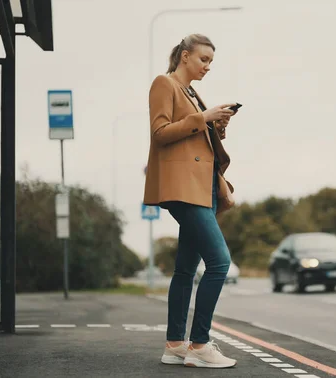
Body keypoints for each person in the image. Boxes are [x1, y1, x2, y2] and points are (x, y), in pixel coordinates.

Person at [143, 33, 239, 368]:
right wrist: (203, 118)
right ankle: (199, 346)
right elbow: (160, 133)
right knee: (220, 262)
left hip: (204, 187)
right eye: (203, 60)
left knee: (185, 269)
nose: (207, 67)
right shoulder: (164, 84)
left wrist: (218, 124)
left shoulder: (192, 93)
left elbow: (197, 137)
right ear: (185, 56)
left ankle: (174, 346)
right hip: (183, 187)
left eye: (211, 62)